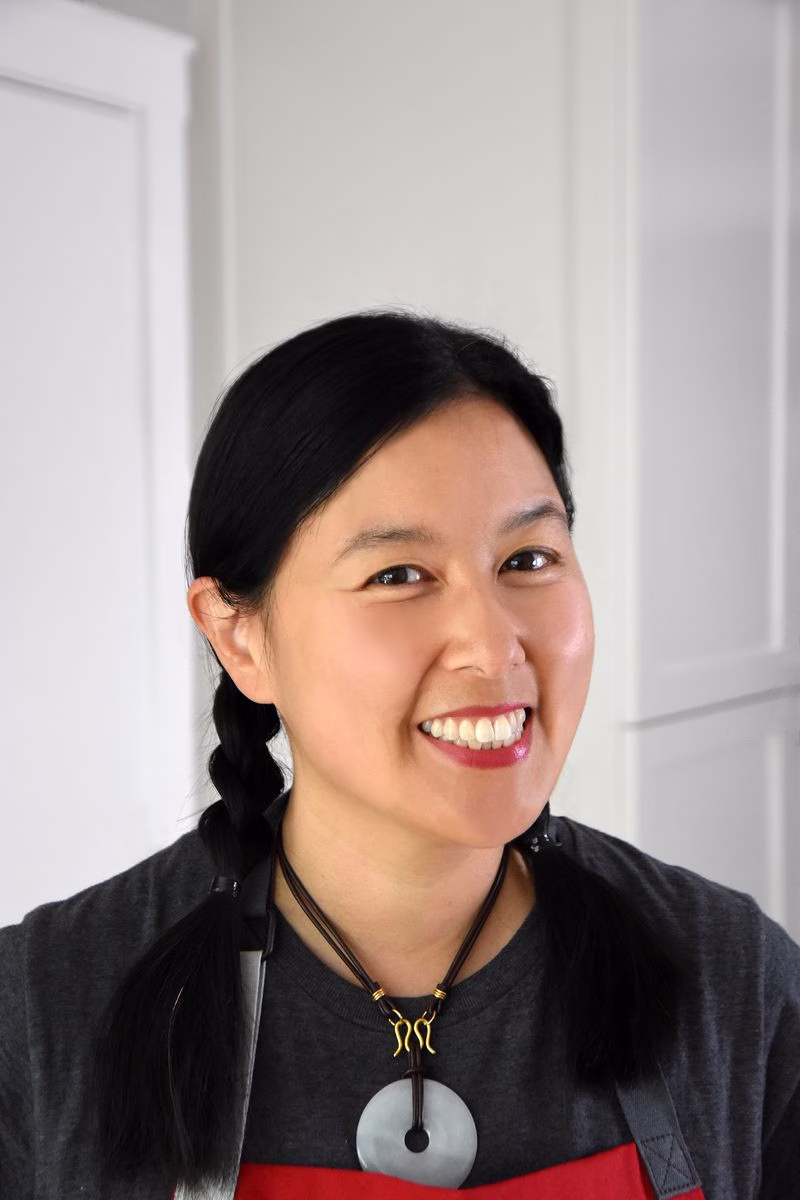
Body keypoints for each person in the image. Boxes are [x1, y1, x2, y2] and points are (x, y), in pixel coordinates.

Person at [0, 311, 798, 1200]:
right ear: (240, 636)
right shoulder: (42, 1015)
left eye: (529, 558)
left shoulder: (733, 980)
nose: (492, 650)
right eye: (399, 576)